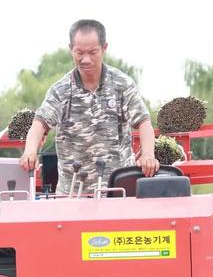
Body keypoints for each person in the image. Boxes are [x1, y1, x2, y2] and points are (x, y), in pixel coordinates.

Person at [19, 19, 159, 195]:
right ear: (71, 48)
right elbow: (39, 123)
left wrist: (148, 155)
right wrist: (30, 151)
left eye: (93, 52)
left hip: (118, 190)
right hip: (72, 193)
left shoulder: (122, 84)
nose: (85, 59)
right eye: (79, 52)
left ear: (104, 48)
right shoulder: (61, 90)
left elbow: (143, 122)